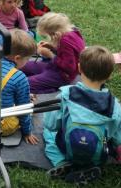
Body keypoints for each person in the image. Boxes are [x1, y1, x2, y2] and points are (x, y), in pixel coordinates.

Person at [43, 46, 121, 185]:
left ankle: (61, 163)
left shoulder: (66, 95)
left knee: (48, 133)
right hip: (98, 155)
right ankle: (91, 166)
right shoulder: (114, 105)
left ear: (79, 68)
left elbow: (50, 124)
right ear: (109, 75)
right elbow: (117, 138)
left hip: (66, 148)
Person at [21, 12, 85, 94]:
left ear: (55, 33)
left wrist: (51, 55)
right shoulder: (73, 32)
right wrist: (51, 47)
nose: (50, 37)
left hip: (62, 76)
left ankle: (53, 89)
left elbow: (70, 67)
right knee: (24, 66)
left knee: (23, 84)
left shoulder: (65, 41)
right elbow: (67, 54)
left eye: (49, 35)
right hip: (53, 66)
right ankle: (45, 82)